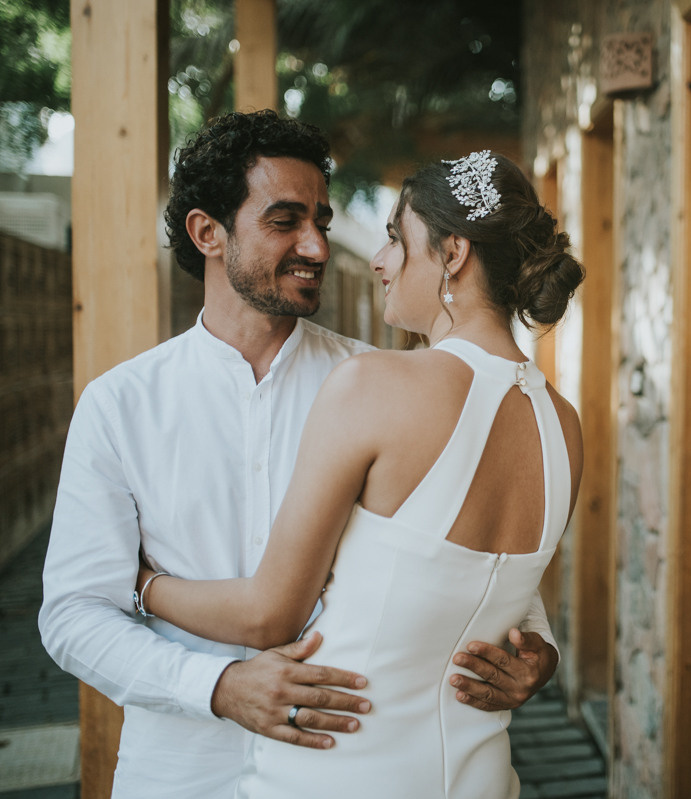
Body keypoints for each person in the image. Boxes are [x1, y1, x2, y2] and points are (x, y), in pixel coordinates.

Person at [39, 111, 562, 798]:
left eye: (322, 218)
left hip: (356, 768)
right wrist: (217, 685)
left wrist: (536, 651)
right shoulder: (120, 405)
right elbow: (73, 614)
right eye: (285, 220)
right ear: (208, 234)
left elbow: (465, 555)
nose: (317, 245)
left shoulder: (383, 383)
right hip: (182, 773)